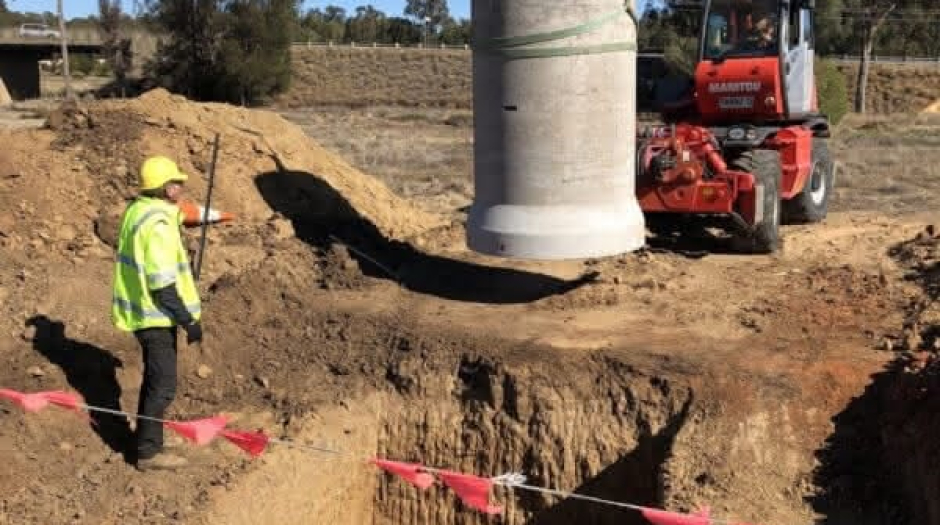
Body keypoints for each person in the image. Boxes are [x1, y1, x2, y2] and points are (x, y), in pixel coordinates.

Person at [111, 155, 204, 472]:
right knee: (163, 384)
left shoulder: (137, 211)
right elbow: (162, 284)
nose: (180, 186)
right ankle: (149, 453)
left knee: (155, 380)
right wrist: (188, 320)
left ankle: (153, 436)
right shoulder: (159, 224)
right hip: (156, 315)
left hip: (144, 312)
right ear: (164, 188)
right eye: (175, 182)